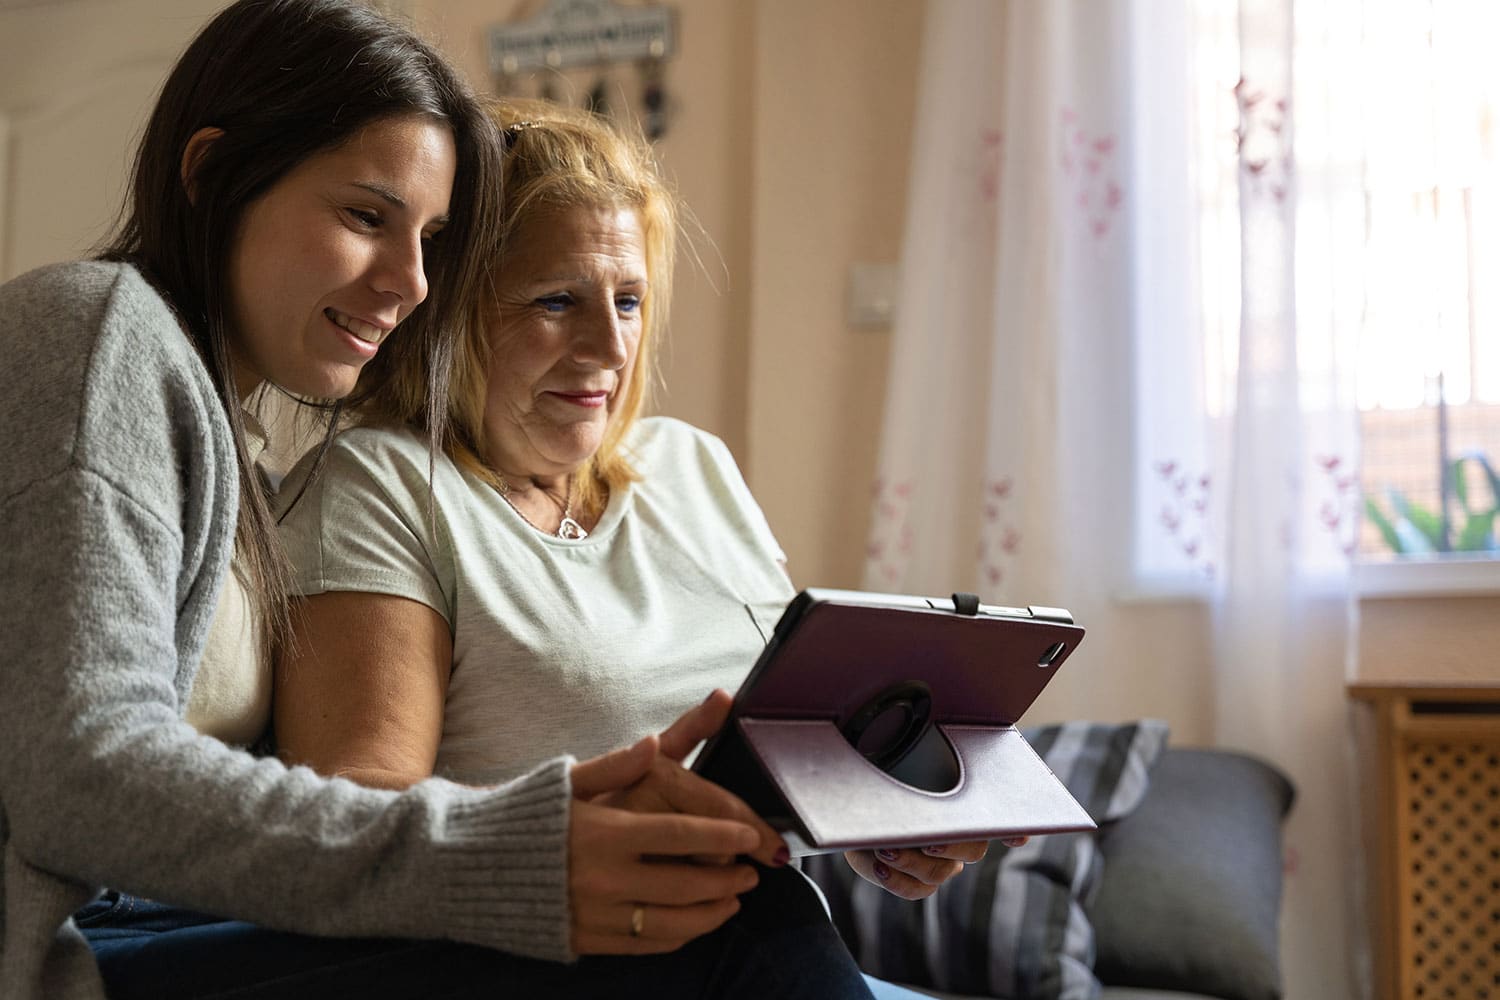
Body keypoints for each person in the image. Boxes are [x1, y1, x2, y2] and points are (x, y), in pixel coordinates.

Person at [0, 4, 791, 999]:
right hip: (76, 953)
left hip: (165, 918)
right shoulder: (100, 333)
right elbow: (82, 777)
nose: (413, 283)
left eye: (433, 238)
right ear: (209, 177)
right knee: (725, 936)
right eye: (367, 217)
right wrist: (502, 854)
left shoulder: (226, 428)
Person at [273, 98, 991, 995]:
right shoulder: (378, 486)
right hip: (533, 959)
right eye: (556, 301)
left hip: (754, 942)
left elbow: (782, 723)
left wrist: (871, 811)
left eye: (628, 299)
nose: (609, 346)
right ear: (447, 313)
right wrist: (568, 836)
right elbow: (346, 821)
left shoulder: (690, 465)